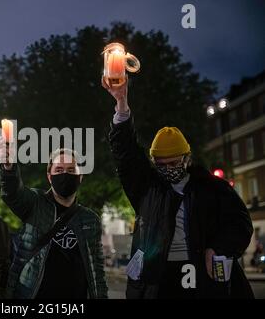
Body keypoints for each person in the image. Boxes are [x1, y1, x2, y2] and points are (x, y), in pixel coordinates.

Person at [103, 76, 254, 298]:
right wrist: (121, 103)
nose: (167, 169)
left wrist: (219, 248)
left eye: (173, 163)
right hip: (158, 274)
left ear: (187, 159)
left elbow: (240, 224)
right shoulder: (148, 188)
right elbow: (126, 154)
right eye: (160, 164)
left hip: (200, 272)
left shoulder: (213, 188)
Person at [0, 140, 108, 299]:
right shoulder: (35, 204)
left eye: (71, 170)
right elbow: (13, 192)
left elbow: (97, 268)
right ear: (49, 176)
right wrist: (8, 168)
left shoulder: (90, 219)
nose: (65, 174)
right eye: (59, 169)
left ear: (80, 176)